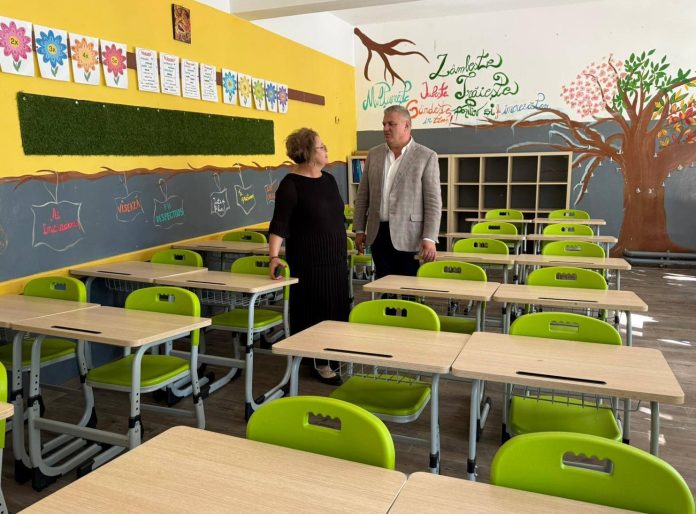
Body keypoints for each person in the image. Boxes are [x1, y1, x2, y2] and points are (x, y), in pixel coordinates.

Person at [268, 128, 348, 385]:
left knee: (337, 308)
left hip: (336, 260)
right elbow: (279, 224)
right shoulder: (291, 185)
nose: (326, 150)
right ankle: (318, 362)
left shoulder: (329, 180)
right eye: (321, 147)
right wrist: (273, 257)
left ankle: (334, 353)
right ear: (308, 153)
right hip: (309, 264)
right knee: (315, 311)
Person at [354, 105, 442, 278]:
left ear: (406, 126)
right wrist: (359, 230)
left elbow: (433, 202)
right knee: (382, 284)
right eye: (384, 124)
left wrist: (429, 238)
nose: (385, 128)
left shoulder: (426, 156)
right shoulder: (374, 154)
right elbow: (363, 195)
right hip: (378, 234)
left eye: (391, 124)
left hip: (410, 235)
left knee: (408, 286)